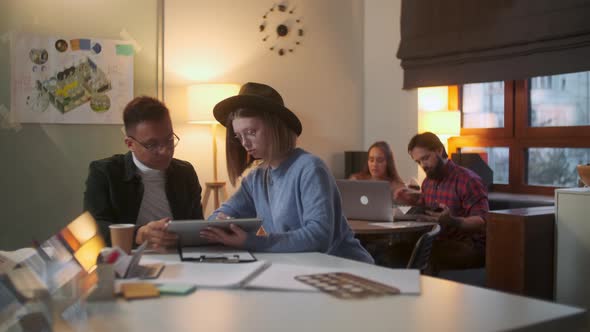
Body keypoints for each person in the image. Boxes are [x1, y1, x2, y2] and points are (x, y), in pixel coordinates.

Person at [199, 82, 374, 263]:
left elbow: (318, 237)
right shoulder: (256, 179)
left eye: (251, 132)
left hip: (346, 269)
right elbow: (219, 216)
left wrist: (251, 241)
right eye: (239, 136)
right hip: (303, 269)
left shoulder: (310, 168)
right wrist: (219, 226)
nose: (245, 143)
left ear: (275, 126)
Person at [84, 96, 204, 249]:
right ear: (130, 144)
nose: (165, 151)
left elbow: (196, 225)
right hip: (129, 260)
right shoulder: (105, 173)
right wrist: (139, 234)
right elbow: (94, 230)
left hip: (179, 257)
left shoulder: (185, 172)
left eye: (169, 140)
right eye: (152, 145)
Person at [394, 132, 488, 271]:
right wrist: (412, 201)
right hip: (439, 241)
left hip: (468, 246)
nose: (423, 165)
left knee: (423, 257)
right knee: (392, 251)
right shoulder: (427, 183)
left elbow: (482, 222)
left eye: (425, 158)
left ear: (439, 150)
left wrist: (452, 221)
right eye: (418, 162)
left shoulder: (468, 180)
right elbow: (430, 212)